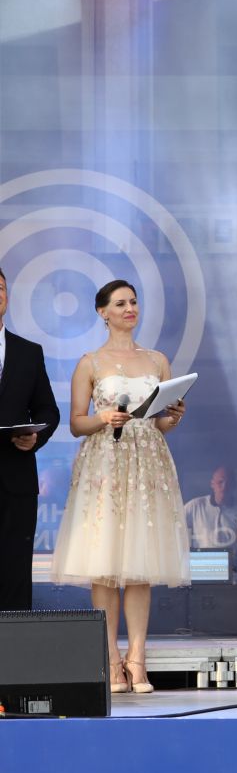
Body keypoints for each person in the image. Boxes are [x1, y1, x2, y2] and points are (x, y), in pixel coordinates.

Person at [51, 279, 188, 694]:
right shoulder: (90, 362)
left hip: (148, 464)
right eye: (120, 303)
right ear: (103, 312)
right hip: (105, 463)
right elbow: (76, 423)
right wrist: (103, 418)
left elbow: (161, 423)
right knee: (105, 565)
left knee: (141, 564)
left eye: (134, 302)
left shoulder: (158, 360)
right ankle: (110, 658)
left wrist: (172, 417)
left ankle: (137, 659)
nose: (130, 308)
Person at [0, 267, 62, 610]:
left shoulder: (28, 352)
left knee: (15, 567)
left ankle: (12, 641)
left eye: (0, 288)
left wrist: (35, 438)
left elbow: (48, 410)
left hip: (17, 477)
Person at [183, 466, 237, 549]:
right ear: (212, 484)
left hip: (232, 557)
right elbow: (174, 527)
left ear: (234, 485)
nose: (224, 486)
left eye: (229, 483)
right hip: (201, 557)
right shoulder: (194, 506)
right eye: (220, 482)